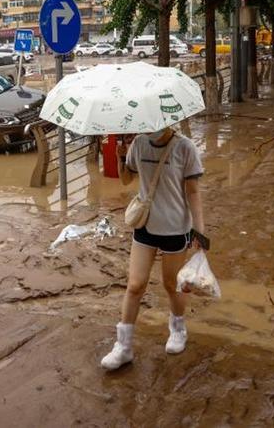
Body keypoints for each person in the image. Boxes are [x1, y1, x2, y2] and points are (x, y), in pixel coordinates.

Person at [100, 127, 205, 370]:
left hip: (176, 228)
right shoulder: (139, 143)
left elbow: (194, 192)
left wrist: (200, 231)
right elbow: (127, 180)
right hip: (145, 225)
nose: (150, 129)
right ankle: (123, 347)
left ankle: (178, 330)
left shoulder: (185, 148)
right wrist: (120, 156)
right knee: (135, 285)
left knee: (171, 284)